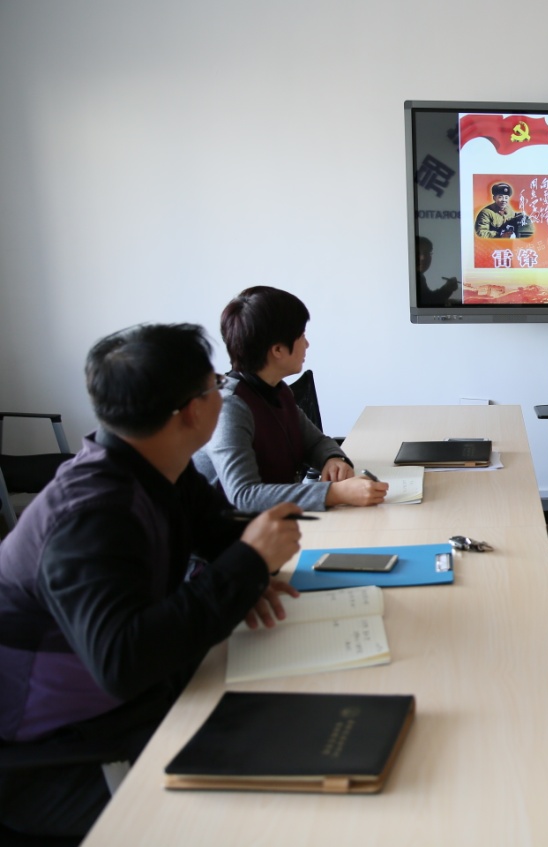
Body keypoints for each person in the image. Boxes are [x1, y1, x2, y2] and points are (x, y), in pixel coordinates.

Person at [0, 323, 301, 837]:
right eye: (216, 386)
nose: (224, 394)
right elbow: (123, 662)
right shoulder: (91, 515)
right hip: (54, 752)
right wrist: (246, 566)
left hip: (128, 702)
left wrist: (248, 568)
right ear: (191, 412)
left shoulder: (157, 467)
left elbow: (220, 539)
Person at [194, 287, 388, 512]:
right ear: (277, 350)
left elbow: (315, 442)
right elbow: (244, 495)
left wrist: (333, 459)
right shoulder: (229, 407)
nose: (307, 344)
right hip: (231, 530)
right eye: (302, 336)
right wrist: (335, 493)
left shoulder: (277, 390)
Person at [415, 236, 459, 306]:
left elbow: (428, 300)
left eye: (427, 253)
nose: (423, 258)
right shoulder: (410, 278)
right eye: (418, 253)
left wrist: (447, 289)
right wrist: (446, 289)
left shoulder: (419, 277)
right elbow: (428, 303)